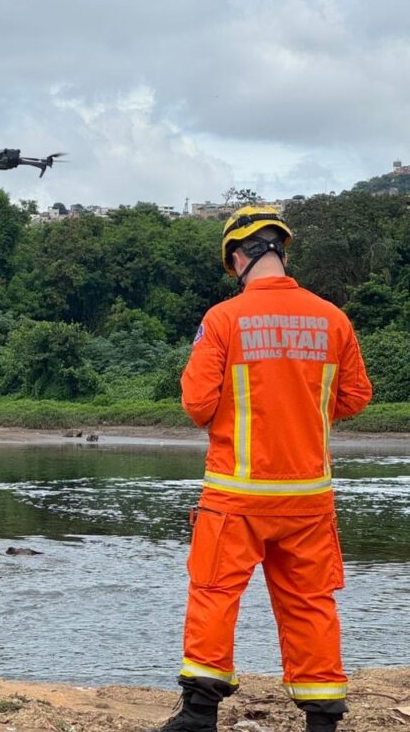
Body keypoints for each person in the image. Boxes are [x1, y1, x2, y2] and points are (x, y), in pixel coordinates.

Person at [147, 205, 373, 732]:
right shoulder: (332, 318)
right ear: (281, 251)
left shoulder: (223, 320)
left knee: (214, 594)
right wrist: (303, 406)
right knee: (310, 603)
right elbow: (356, 396)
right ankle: (322, 721)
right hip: (309, 499)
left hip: (235, 495)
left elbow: (198, 404)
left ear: (237, 257)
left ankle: (199, 716)